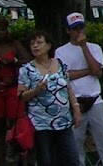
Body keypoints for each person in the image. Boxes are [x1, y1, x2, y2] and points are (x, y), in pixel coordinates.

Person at [54, 12, 103, 166]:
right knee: (75, 143)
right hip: (76, 102)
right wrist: (87, 71)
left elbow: (97, 71)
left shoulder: (94, 48)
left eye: (81, 28)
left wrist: (84, 47)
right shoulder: (61, 51)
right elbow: (65, 75)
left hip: (95, 99)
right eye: (75, 28)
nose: (79, 32)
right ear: (68, 30)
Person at [18, 29, 82, 166]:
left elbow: (68, 87)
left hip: (63, 121)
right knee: (46, 160)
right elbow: (21, 96)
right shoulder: (26, 69)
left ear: (48, 45)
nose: (35, 46)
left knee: (72, 158)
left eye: (39, 42)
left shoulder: (60, 64)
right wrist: (36, 90)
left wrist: (76, 109)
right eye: (32, 43)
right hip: (41, 124)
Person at [0, 16, 29, 166]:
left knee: (15, 125)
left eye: (3, 30)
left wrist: (13, 62)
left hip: (12, 88)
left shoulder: (14, 45)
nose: (1, 33)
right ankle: (1, 160)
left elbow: (28, 61)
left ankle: (20, 158)